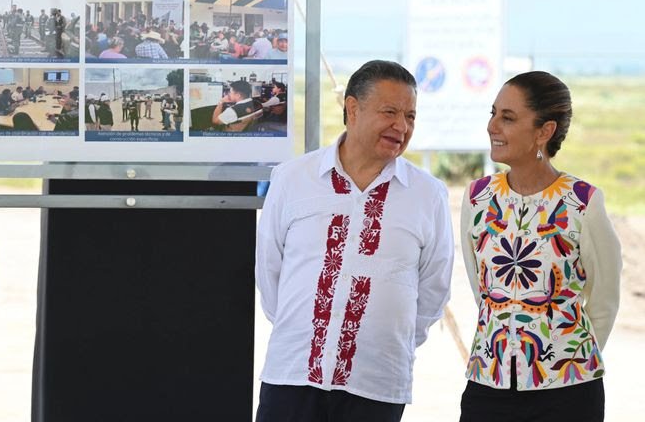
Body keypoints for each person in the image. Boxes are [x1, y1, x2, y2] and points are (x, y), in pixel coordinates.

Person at [255, 60, 454, 421]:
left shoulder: (428, 194)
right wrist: (303, 329)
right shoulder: (292, 178)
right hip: (291, 375)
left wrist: (386, 343)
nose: (402, 126)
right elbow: (270, 272)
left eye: (410, 116)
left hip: (376, 384)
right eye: (390, 112)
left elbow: (433, 289)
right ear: (352, 109)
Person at [459, 71, 622, 422]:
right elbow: (482, 292)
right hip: (487, 384)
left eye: (508, 117)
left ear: (544, 131)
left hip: (568, 392)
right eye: (493, 113)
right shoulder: (477, 198)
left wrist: (566, 356)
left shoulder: (582, 202)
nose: (492, 126)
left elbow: (605, 299)